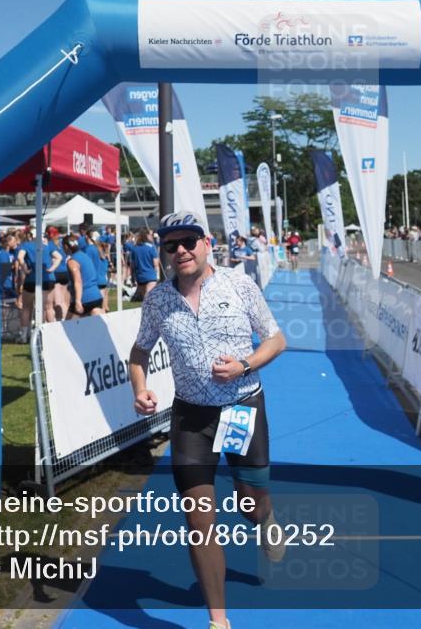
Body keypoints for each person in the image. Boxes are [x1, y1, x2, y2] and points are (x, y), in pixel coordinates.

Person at [129, 211, 287, 629]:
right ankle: (219, 621)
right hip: (192, 419)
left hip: (240, 410)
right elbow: (139, 352)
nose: (180, 250)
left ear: (206, 244)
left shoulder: (238, 284)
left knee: (249, 504)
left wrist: (245, 364)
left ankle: (265, 519)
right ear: (162, 252)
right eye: (170, 245)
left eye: (189, 242)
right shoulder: (159, 299)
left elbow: (276, 338)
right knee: (199, 521)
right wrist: (139, 389)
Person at [62, 235, 105, 318]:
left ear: (66, 246)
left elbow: (78, 281)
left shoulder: (72, 261)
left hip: (84, 298)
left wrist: (78, 301)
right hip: (96, 296)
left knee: (68, 328)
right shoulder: (85, 256)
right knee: (97, 327)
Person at [45, 227, 70, 322]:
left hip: (56, 273)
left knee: (54, 304)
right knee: (64, 302)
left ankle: (59, 324)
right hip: (65, 272)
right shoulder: (60, 244)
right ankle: (64, 321)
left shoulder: (49, 244)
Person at [128, 227, 160, 300]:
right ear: (147, 235)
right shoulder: (151, 247)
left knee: (144, 298)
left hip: (140, 276)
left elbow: (132, 265)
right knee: (149, 297)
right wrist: (157, 275)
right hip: (150, 275)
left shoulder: (134, 248)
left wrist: (132, 277)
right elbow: (156, 264)